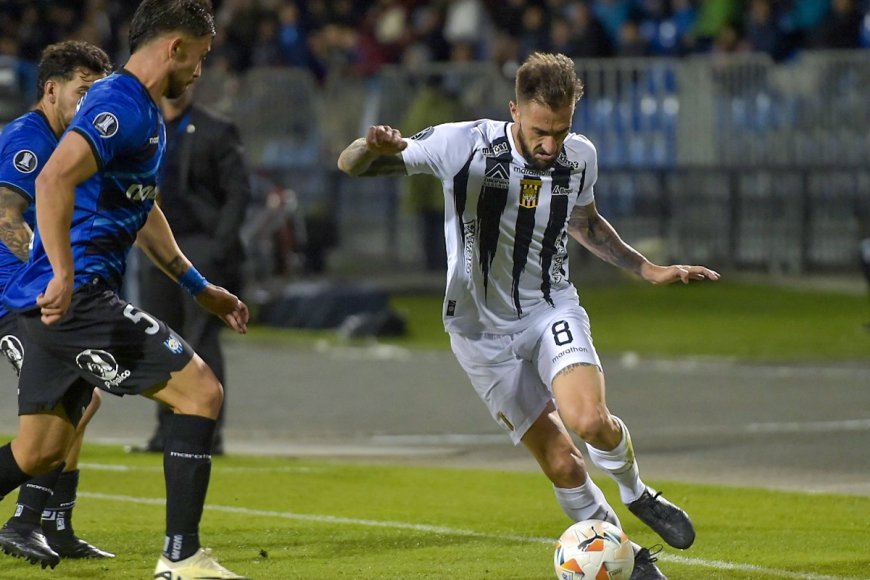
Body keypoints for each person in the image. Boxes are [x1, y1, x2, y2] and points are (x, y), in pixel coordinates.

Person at [338, 52, 721, 580]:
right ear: (512, 109)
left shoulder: (579, 156)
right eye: (540, 130)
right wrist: (369, 145)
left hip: (549, 308)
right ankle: (629, 560)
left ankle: (637, 493)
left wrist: (646, 268)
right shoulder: (462, 143)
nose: (550, 145)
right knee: (564, 464)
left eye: (561, 131)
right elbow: (350, 165)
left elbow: (585, 222)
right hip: (477, 331)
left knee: (591, 421)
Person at [0, 2, 251, 578]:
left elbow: (141, 209)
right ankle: (181, 559)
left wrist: (198, 285)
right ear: (176, 48)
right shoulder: (121, 101)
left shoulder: (141, 111)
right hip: (76, 295)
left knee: (35, 451)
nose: (200, 71)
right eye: (201, 56)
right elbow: (52, 177)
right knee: (201, 394)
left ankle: (47, 524)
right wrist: (63, 272)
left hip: (49, 305)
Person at [0, 40, 114, 568]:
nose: (91, 102)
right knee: (73, 400)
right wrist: (47, 273)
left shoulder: (72, 140)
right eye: (83, 90)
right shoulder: (29, 138)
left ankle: (54, 525)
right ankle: (26, 522)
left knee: (80, 394)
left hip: (38, 299)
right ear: (51, 89)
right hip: (10, 300)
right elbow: (5, 215)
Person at [132, 83, 251, 456]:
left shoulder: (216, 128)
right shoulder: (146, 129)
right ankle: (164, 433)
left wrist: (219, 247)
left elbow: (238, 193)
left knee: (200, 340)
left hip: (201, 244)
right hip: (158, 248)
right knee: (161, 339)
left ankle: (206, 435)